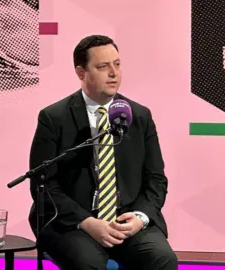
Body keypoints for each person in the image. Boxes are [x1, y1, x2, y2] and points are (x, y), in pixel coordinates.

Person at [28, 34, 178, 270]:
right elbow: (44, 185)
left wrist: (140, 218)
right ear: (81, 72)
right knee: (88, 263)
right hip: (74, 223)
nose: (113, 73)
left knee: (162, 259)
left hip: (127, 220)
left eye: (117, 64)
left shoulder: (139, 116)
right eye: (103, 66)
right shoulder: (54, 118)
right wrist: (87, 222)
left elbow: (156, 179)